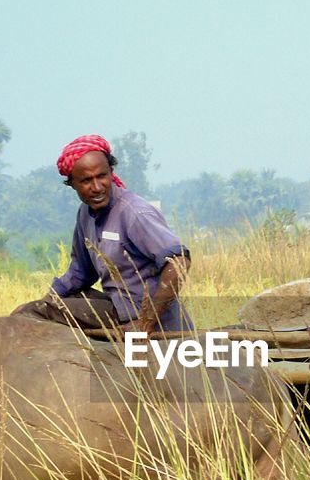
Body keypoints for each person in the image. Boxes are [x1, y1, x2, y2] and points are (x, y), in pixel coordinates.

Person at [15, 134, 192, 335]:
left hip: (150, 319)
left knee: (37, 313)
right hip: (116, 307)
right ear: (72, 183)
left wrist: (145, 322)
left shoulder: (134, 213)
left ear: (111, 172)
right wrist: (48, 300)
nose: (97, 187)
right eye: (86, 181)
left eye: (102, 176)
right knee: (46, 306)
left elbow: (179, 263)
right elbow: (80, 272)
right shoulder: (85, 215)